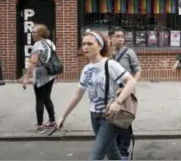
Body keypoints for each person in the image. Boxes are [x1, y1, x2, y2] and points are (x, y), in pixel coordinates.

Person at [54, 31, 137, 160]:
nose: (85, 47)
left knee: (95, 157)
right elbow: (77, 94)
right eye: (83, 44)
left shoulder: (110, 64)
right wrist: (63, 117)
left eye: (89, 44)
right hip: (94, 116)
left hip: (109, 116)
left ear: (100, 46)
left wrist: (118, 102)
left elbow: (131, 81)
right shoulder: (87, 69)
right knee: (113, 154)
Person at [108, 27, 142, 160]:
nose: (120, 39)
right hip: (110, 93)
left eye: (122, 36)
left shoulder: (129, 52)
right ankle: (113, 149)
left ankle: (123, 152)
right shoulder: (105, 53)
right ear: (110, 37)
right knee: (110, 121)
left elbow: (138, 70)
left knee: (124, 122)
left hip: (125, 93)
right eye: (117, 36)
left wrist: (131, 84)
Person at [21, 24, 57, 134]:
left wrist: (27, 77)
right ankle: (52, 121)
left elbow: (33, 62)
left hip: (41, 75)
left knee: (40, 100)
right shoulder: (51, 43)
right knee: (46, 98)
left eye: (34, 32)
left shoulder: (38, 44)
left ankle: (40, 126)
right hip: (50, 75)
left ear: (40, 33)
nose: (32, 34)